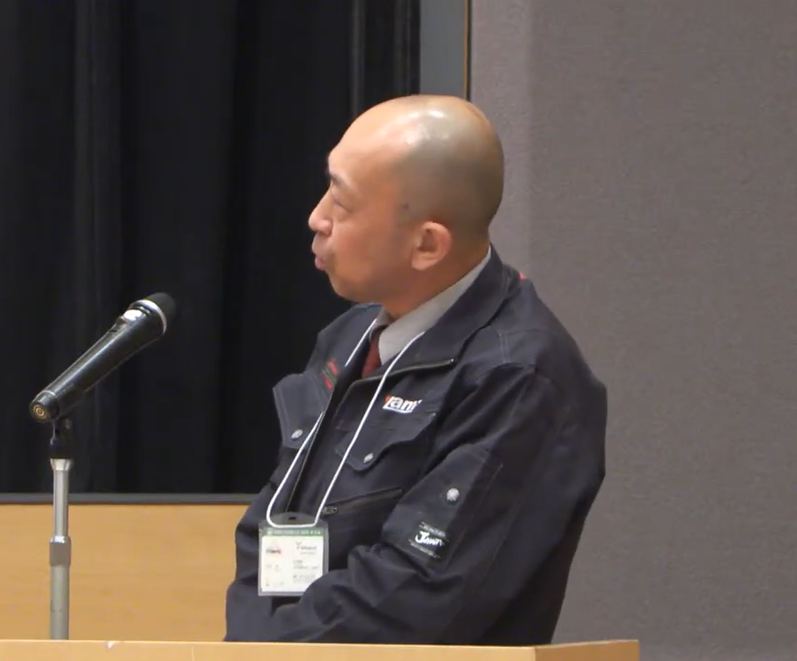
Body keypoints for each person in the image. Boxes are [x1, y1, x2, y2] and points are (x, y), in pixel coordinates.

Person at [223, 94, 608, 646]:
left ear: (427, 244)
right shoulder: (349, 337)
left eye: (342, 202)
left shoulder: (519, 377)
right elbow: (269, 529)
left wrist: (270, 654)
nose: (317, 217)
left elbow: (415, 593)